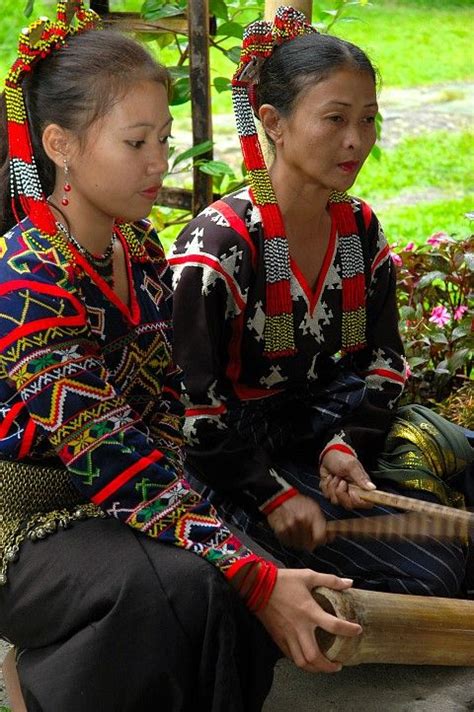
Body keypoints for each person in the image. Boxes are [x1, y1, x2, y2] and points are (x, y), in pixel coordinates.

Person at [0, 3, 364, 711]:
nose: (159, 164)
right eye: (137, 142)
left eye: (163, 140)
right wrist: (237, 564)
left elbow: (165, 414)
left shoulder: (136, 254)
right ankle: (43, 688)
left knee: (253, 560)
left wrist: (237, 537)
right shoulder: (27, 275)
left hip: (116, 505)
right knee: (194, 585)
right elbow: (107, 448)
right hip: (19, 524)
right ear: (60, 145)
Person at [170, 7, 471, 598]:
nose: (356, 140)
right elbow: (195, 414)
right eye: (334, 119)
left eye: (367, 119)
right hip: (242, 470)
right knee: (440, 571)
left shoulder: (358, 227)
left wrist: (346, 443)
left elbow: (385, 362)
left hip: (331, 444)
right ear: (272, 123)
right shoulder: (218, 248)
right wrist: (271, 493)